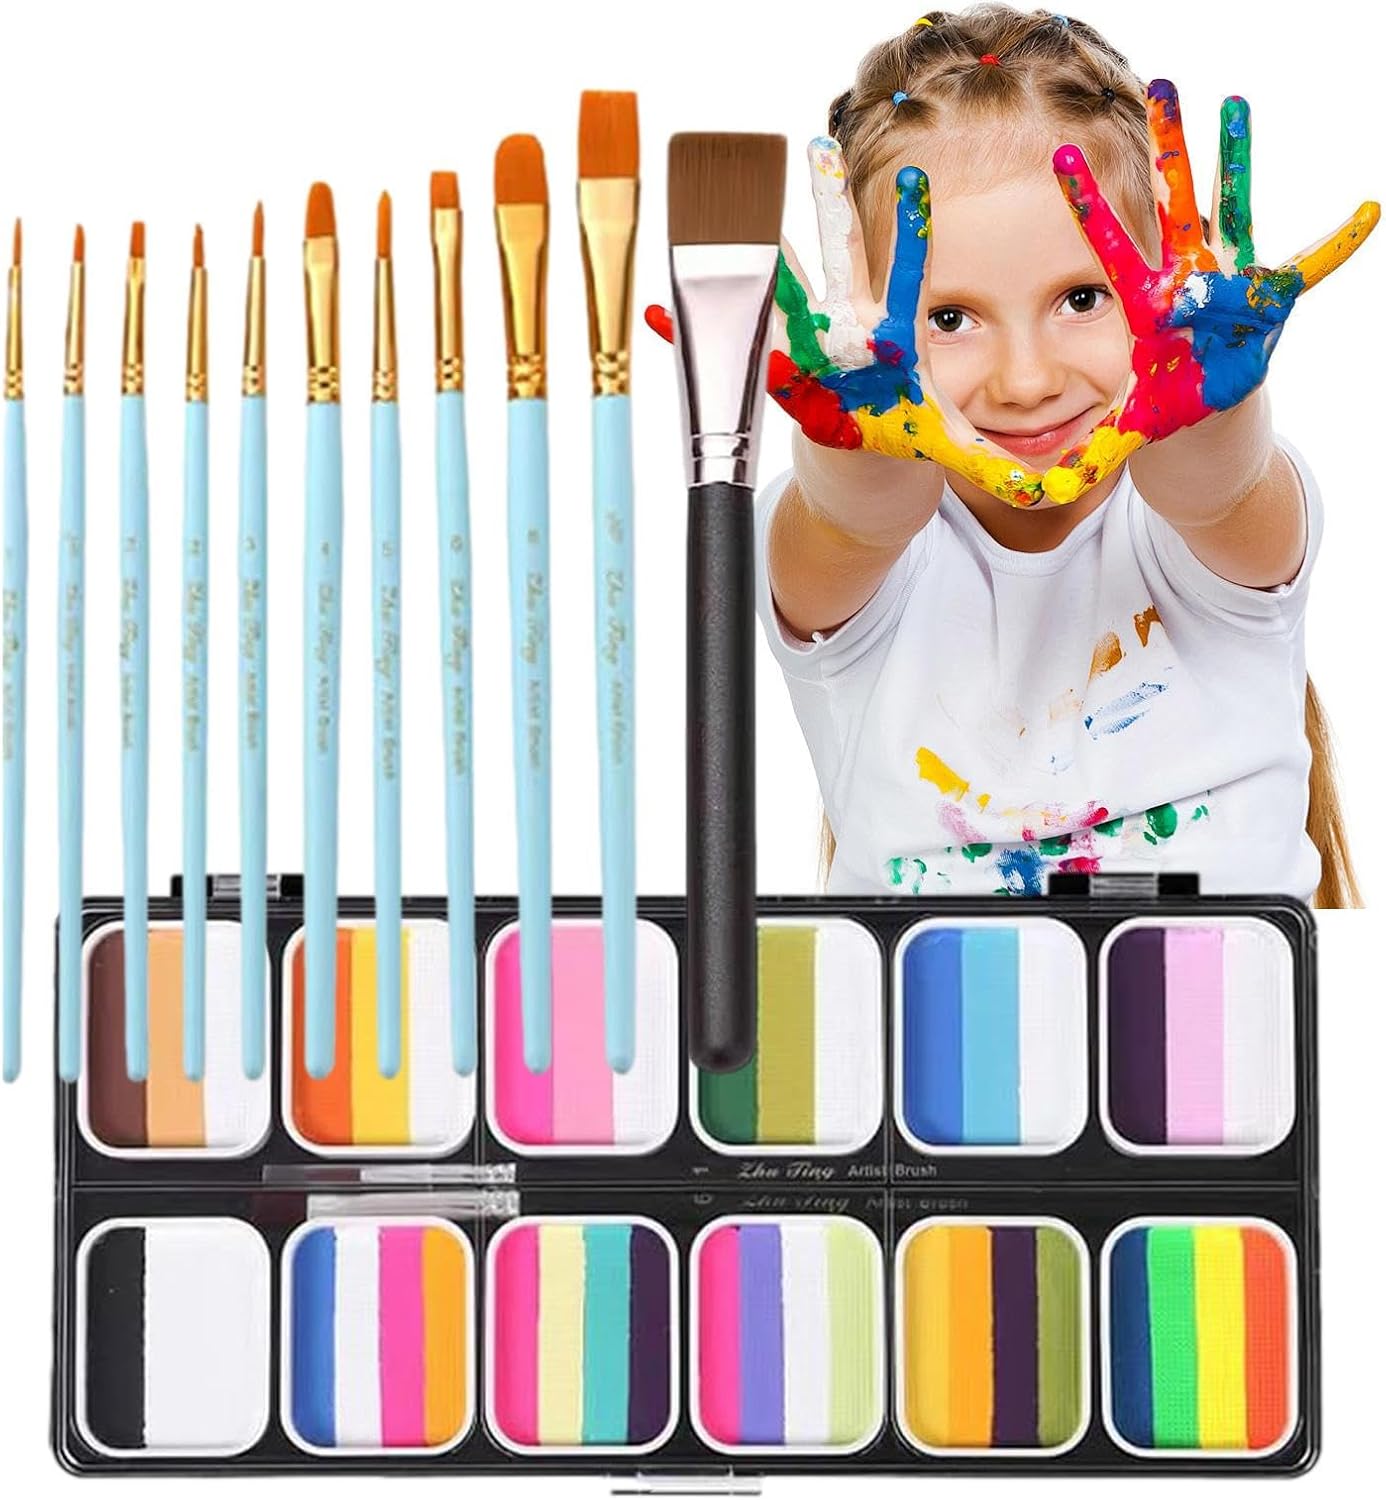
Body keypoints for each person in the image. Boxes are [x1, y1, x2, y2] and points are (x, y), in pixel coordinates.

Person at [756, 4, 1373, 904]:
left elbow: (1213, 484)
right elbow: (860, 513)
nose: (1027, 379)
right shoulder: (860, 557)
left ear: (1167, 277)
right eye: (949, 317)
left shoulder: (1198, 529)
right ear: (859, 312)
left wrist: (1212, 402)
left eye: (1083, 298)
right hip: (920, 992)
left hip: (1229, 987)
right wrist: (852, 439)